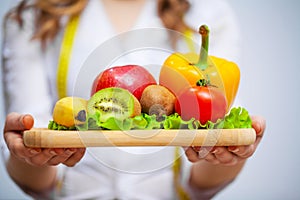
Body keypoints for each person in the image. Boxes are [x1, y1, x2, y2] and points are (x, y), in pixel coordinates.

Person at [1, 0, 266, 199]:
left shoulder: (209, 12)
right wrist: (29, 155)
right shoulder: (34, 17)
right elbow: (33, 163)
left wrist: (225, 155)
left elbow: (200, 181)